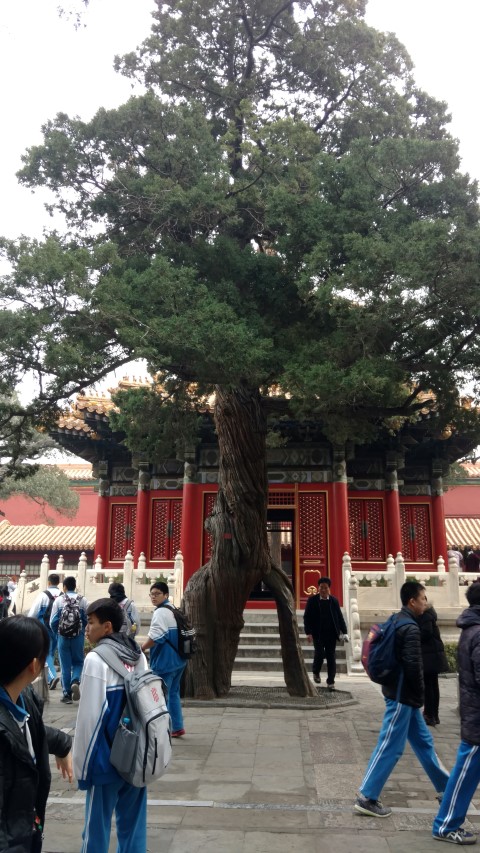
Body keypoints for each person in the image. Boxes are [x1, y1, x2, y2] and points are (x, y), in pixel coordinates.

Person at [354, 581, 449, 818]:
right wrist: (419, 696)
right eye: (423, 598)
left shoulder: (397, 620)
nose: (426, 602)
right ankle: (367, 796)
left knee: (424, 743)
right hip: (401, 696)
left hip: (402, 695)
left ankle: (447, 789)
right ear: (412, 601)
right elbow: (414, 666)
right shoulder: (411, 628)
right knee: (390, 746)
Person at [73, 597, 148, 853]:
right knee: (133, 827)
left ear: (107, 627)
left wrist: (82, 768)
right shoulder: (137, 654)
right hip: (138, 755)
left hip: (106, 760)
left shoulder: (96, 660)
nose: (86, 628)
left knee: (96, 830)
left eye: (90, 623)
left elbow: (89, 721)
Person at [0, 615, 73, 851]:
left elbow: (32, 730)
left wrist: (63, 744)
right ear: (34, 666)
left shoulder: (23, 696)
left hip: (26, 829)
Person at [432, 582, 480, 845]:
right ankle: (445, 824)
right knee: (465, 772)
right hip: (477, 717)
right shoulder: (479, 633)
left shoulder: (470, 629)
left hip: (473, 712)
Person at [141, 581, 187, 737]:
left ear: (166, 595)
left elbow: (156, 637)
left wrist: (142, 647)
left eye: (157, 594)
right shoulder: (173, 609)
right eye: (151, 594)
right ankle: (177, 727)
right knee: (173, 693)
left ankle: (163, 730)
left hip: (166, 661)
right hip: (179, 659)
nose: (153, 597)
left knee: (161, 696)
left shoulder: (160, 612)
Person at [303, 576, 348, 690]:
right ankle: (316, 672)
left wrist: (345, 632)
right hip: (317, 633)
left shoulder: (334, 601)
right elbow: (307, 617)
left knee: (331, 657)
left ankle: (331, 682)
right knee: (319, 654)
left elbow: (339, 617)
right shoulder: (312, 601)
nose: (323, 590)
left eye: (325, 588)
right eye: (321, 587)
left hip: (331, 634)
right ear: (318, 588)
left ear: (329, 589)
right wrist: (308, 632)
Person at [50, 575, 88, 704]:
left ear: (64, 587)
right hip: (78, 636)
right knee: (78, 662)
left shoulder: (59, 601)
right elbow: (88, 620)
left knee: (65, 665)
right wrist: (82, 631)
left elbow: (53, 621)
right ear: (75, 586)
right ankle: (75, 680)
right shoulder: (83, 600)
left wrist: (58, 633)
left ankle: (66, 694)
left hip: (63, 637)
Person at [29, 573, 62, 690]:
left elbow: (33, 613)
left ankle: (51, 677)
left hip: (45, 628)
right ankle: (57, 679)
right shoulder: (63, 596)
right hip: (58, 629)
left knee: (45, 653)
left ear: (48, 582)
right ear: (58, 582)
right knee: (51, 654)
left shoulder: (43, 595)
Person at [417, 604, 448, 727]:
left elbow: (425, 633)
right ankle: (434, 715)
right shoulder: (430, 615)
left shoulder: (425, 616)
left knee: (429, 687)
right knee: (433, 686)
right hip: (432, 656)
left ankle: (430, 715)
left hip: (429, 657)